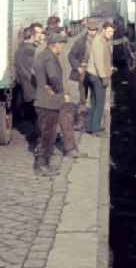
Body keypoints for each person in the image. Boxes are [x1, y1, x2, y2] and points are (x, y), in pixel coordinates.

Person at [33, 32, 67, 175]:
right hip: (49, 102)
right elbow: (53, 76)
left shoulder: (41, 55)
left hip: (42, 100)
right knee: (48, 135)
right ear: (55, 45)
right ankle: (42, 166)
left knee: (44, 133)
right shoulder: (50, 58)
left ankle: (42, 164)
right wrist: (60, 92)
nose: (63, 47)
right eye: (61, 44)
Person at [86, 21, 115, 136]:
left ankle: (91, 126)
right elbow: (98, 61)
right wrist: (104, 77)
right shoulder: (99, 41)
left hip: (93, 75)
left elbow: (104, 59)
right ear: (103, 30)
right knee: (99, 103)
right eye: (109, 31)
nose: (111, 34)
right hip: (97, 76)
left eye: (112, 32)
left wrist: (110, 67)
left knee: (94, 102)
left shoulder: (103, 40)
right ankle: (95, 129)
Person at [69, 18, 99, 116]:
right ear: (87, 29)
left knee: (96, 92)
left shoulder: (101, 41)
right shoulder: (80, 42)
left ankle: (95, 113)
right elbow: (71, 55)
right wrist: (78, 67)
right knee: (82, 90)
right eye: (90, 30)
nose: (92, 32)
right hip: (84, 69)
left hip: (96, 70)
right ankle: (82, 112)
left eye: (94, 30)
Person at [60, 34, 81, 158]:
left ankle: (70, 148)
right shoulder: (45, 56)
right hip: (54, 95)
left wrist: (67, 92)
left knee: (66, 119)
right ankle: (69, 149)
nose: (63, 46)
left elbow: (63, 77)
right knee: (65, 119)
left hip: (60, 93)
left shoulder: (59, 54)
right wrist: (65, 93)